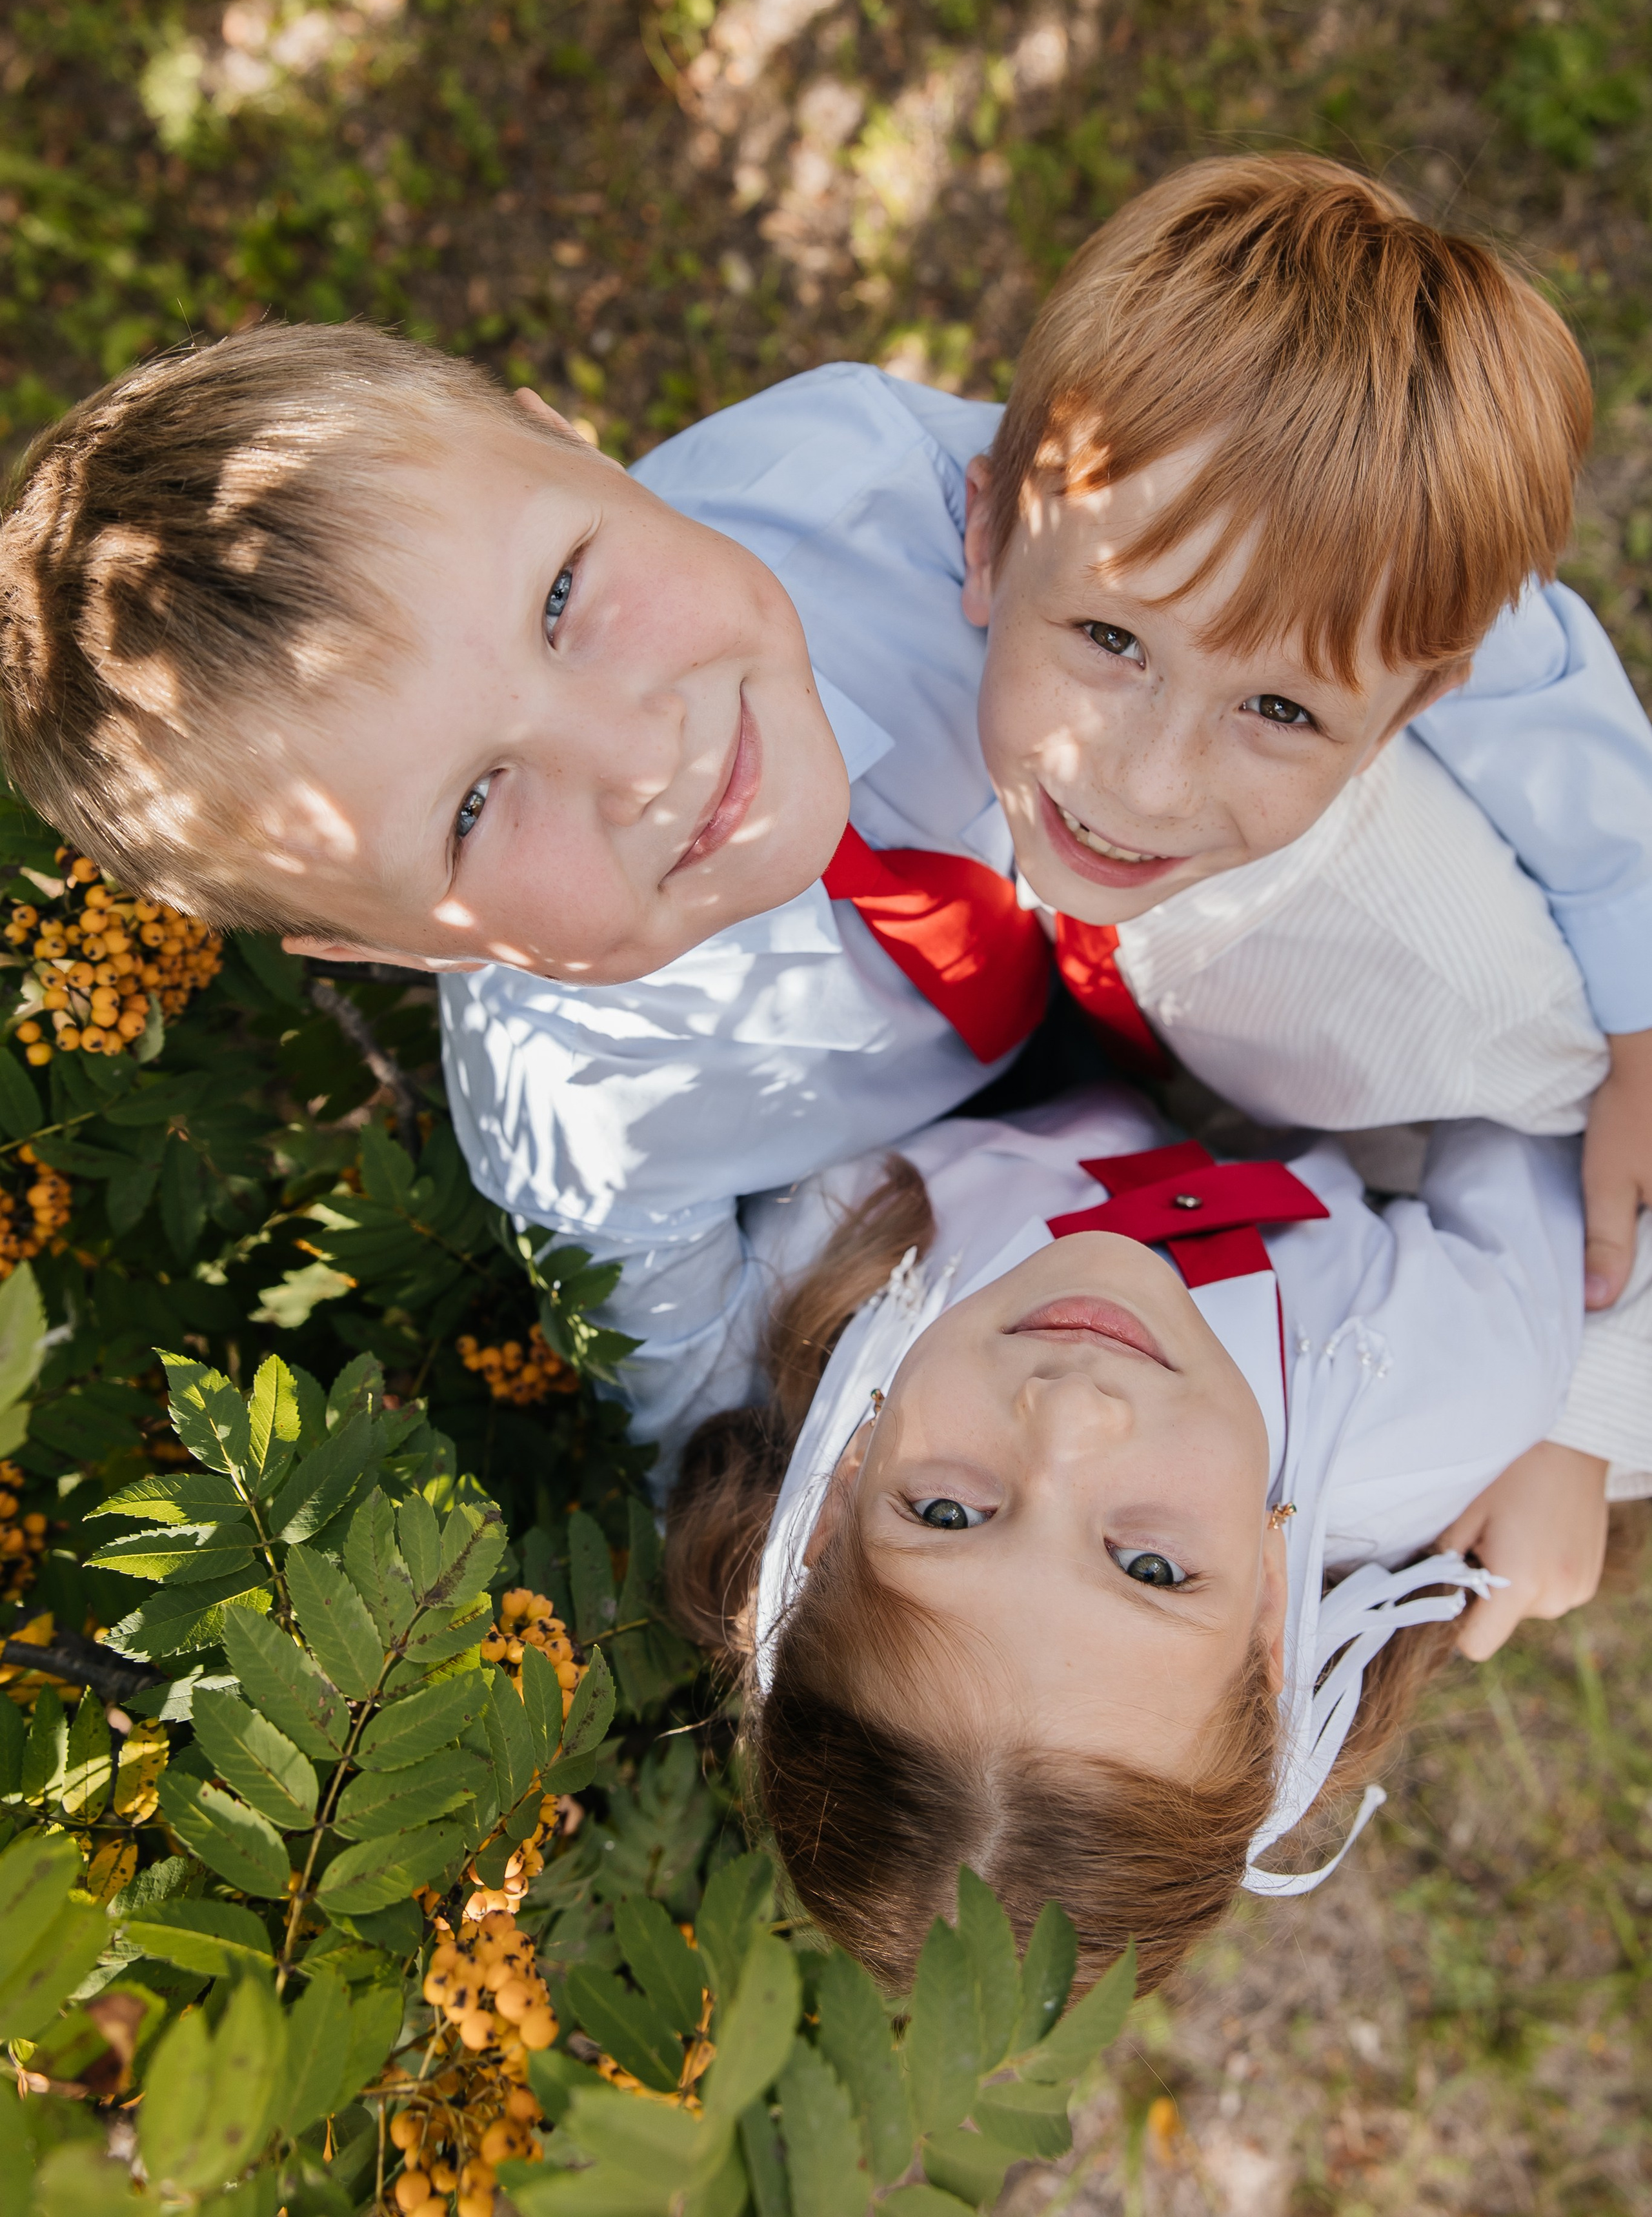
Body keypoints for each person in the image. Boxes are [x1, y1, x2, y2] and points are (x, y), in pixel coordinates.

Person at [1, 160, 1648, 1620]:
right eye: (478, 807)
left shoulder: (854, 480)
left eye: (566, 592)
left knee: (1454, 937)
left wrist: (1639, 973)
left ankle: (1580, 1261)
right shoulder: (588, 1137)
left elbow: (1360, 576)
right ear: (370, 947)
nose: (644, 748)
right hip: (1015, 1195)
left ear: (565, 439)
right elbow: (716, 1412)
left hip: (1198, 914)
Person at [664, 1087, 1600, 1994]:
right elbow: (1548, 1093)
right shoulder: (1451, 1386)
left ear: (837, 1500)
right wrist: (1592, 1411)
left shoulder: (827, 1250)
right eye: (1149, 1569)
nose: (1074, 1412)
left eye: (947, 1514)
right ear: (1270, 1610)